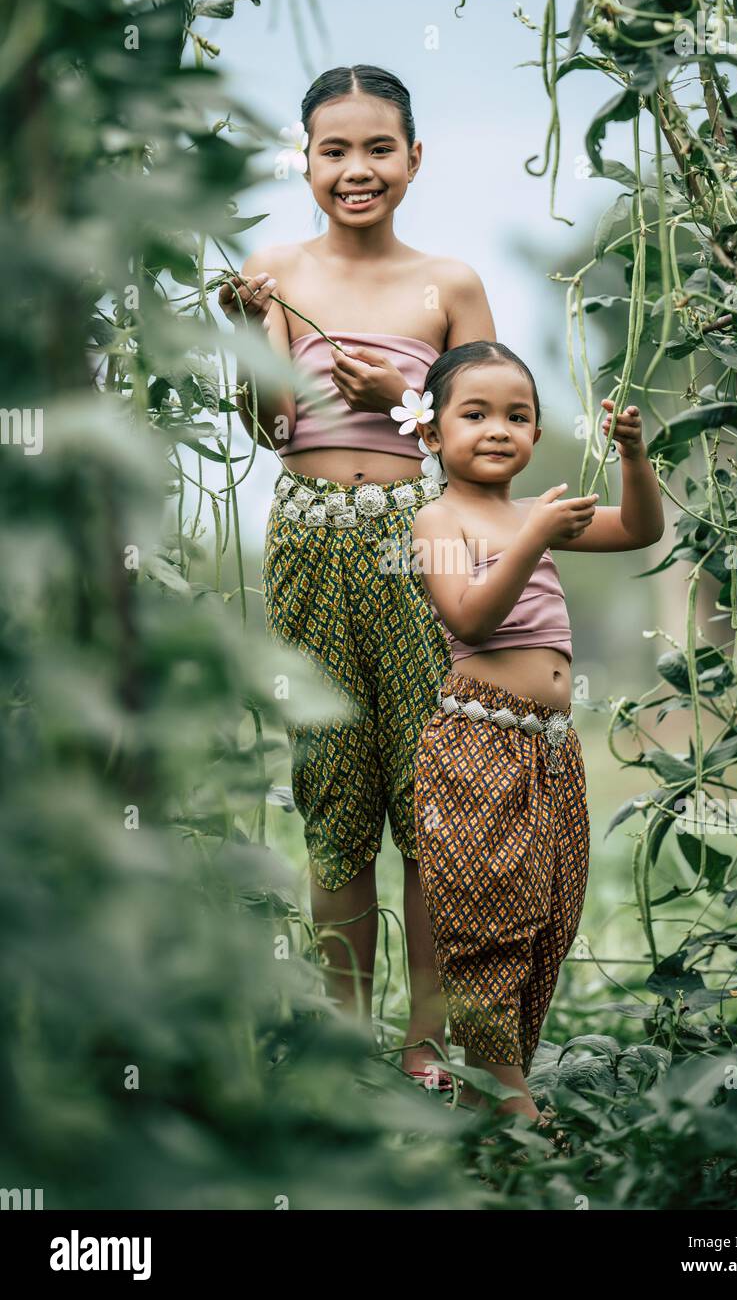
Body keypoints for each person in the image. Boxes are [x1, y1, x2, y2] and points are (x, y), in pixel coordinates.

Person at [218, 66, 495, 1088]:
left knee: (421, 797)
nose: (356, 169)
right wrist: (252, 340)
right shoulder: (275, 267)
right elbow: (263, 422)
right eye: (333, 150)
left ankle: (424, 1045)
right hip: (306, 537)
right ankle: (343, 1042)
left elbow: (488, 432)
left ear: (413, 160)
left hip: (414, 540)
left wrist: (410, 394)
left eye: (378, 148)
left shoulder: (450, 283)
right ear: (305, 162)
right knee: (332, 789)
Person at [411, 340, 664, 1121]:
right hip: (477, 745)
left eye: (517, 416)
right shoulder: (437, 518)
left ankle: (497, 1083)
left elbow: (640, 530)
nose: (498, 429)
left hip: (550, 751)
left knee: (549, 913)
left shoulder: (533, 516)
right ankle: (509, 1106)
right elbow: (470, 615)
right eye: (475, 413)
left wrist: (633, 456)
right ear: (430, 434)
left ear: (535, 434)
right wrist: (534, 536)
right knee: (490, 920)